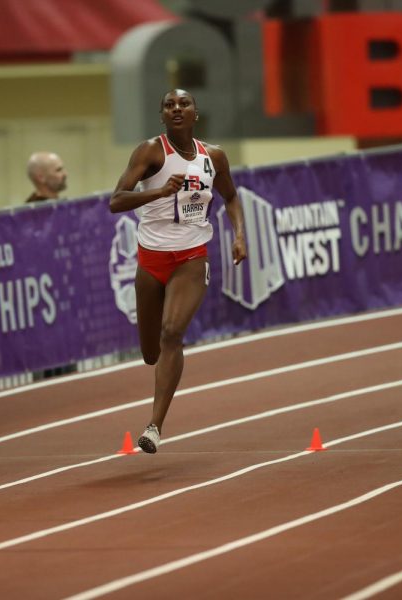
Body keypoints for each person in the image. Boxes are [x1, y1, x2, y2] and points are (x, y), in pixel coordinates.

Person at [109, 89, 247, 453]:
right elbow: (116, 201)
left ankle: (154, 426)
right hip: (151, 259)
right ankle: (157, 373)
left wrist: (239, 236)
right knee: (151, 352)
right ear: (162, 116)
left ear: (196, 114)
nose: (176, 109)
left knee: (173, 333)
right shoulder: (150, 152)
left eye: (184, 104)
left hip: (191, 257)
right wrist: (157, 193)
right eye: (169, 105)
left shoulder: (213, 156)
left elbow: (230, 196)